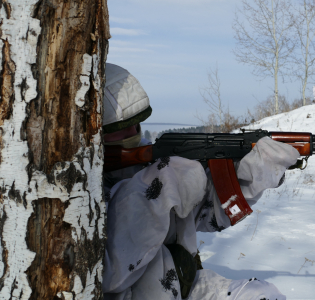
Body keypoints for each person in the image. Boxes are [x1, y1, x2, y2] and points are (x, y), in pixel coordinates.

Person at [102, 63, 300, 300]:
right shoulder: (82, 191)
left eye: (136, 123)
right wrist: (154, 193)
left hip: (184, 284)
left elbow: (211, 216)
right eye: (120, 129)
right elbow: (109, 276)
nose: (132, 132)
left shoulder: (149, 163)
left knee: (261, 294)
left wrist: (250, 177)